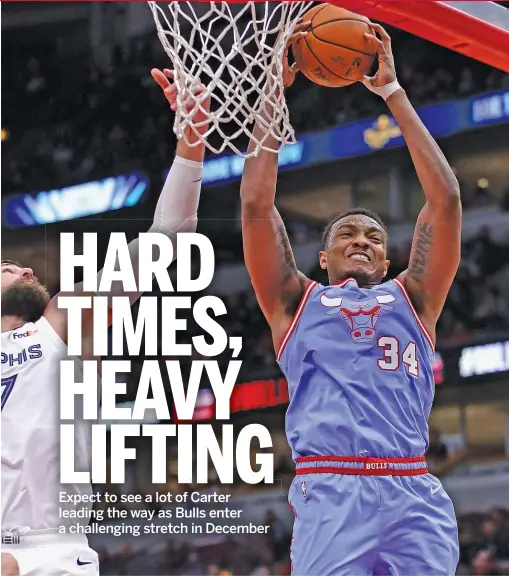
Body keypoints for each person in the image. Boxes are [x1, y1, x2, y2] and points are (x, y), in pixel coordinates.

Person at [240, 23, 461, 576]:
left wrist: (393, 92)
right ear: (324, 258)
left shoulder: (414, 297)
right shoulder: (293, 302)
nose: (361, 240)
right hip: (332, 488)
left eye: (374, 237)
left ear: (387, 262)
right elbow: (254, 206)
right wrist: (272, 97)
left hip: (413, 487)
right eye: (347, 235)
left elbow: (447, 200)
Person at [1, 69, 209, 576]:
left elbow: (170, 238)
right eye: (7, 267)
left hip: (51, 551)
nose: (26, 268)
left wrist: (192, 143)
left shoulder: (59, 325)